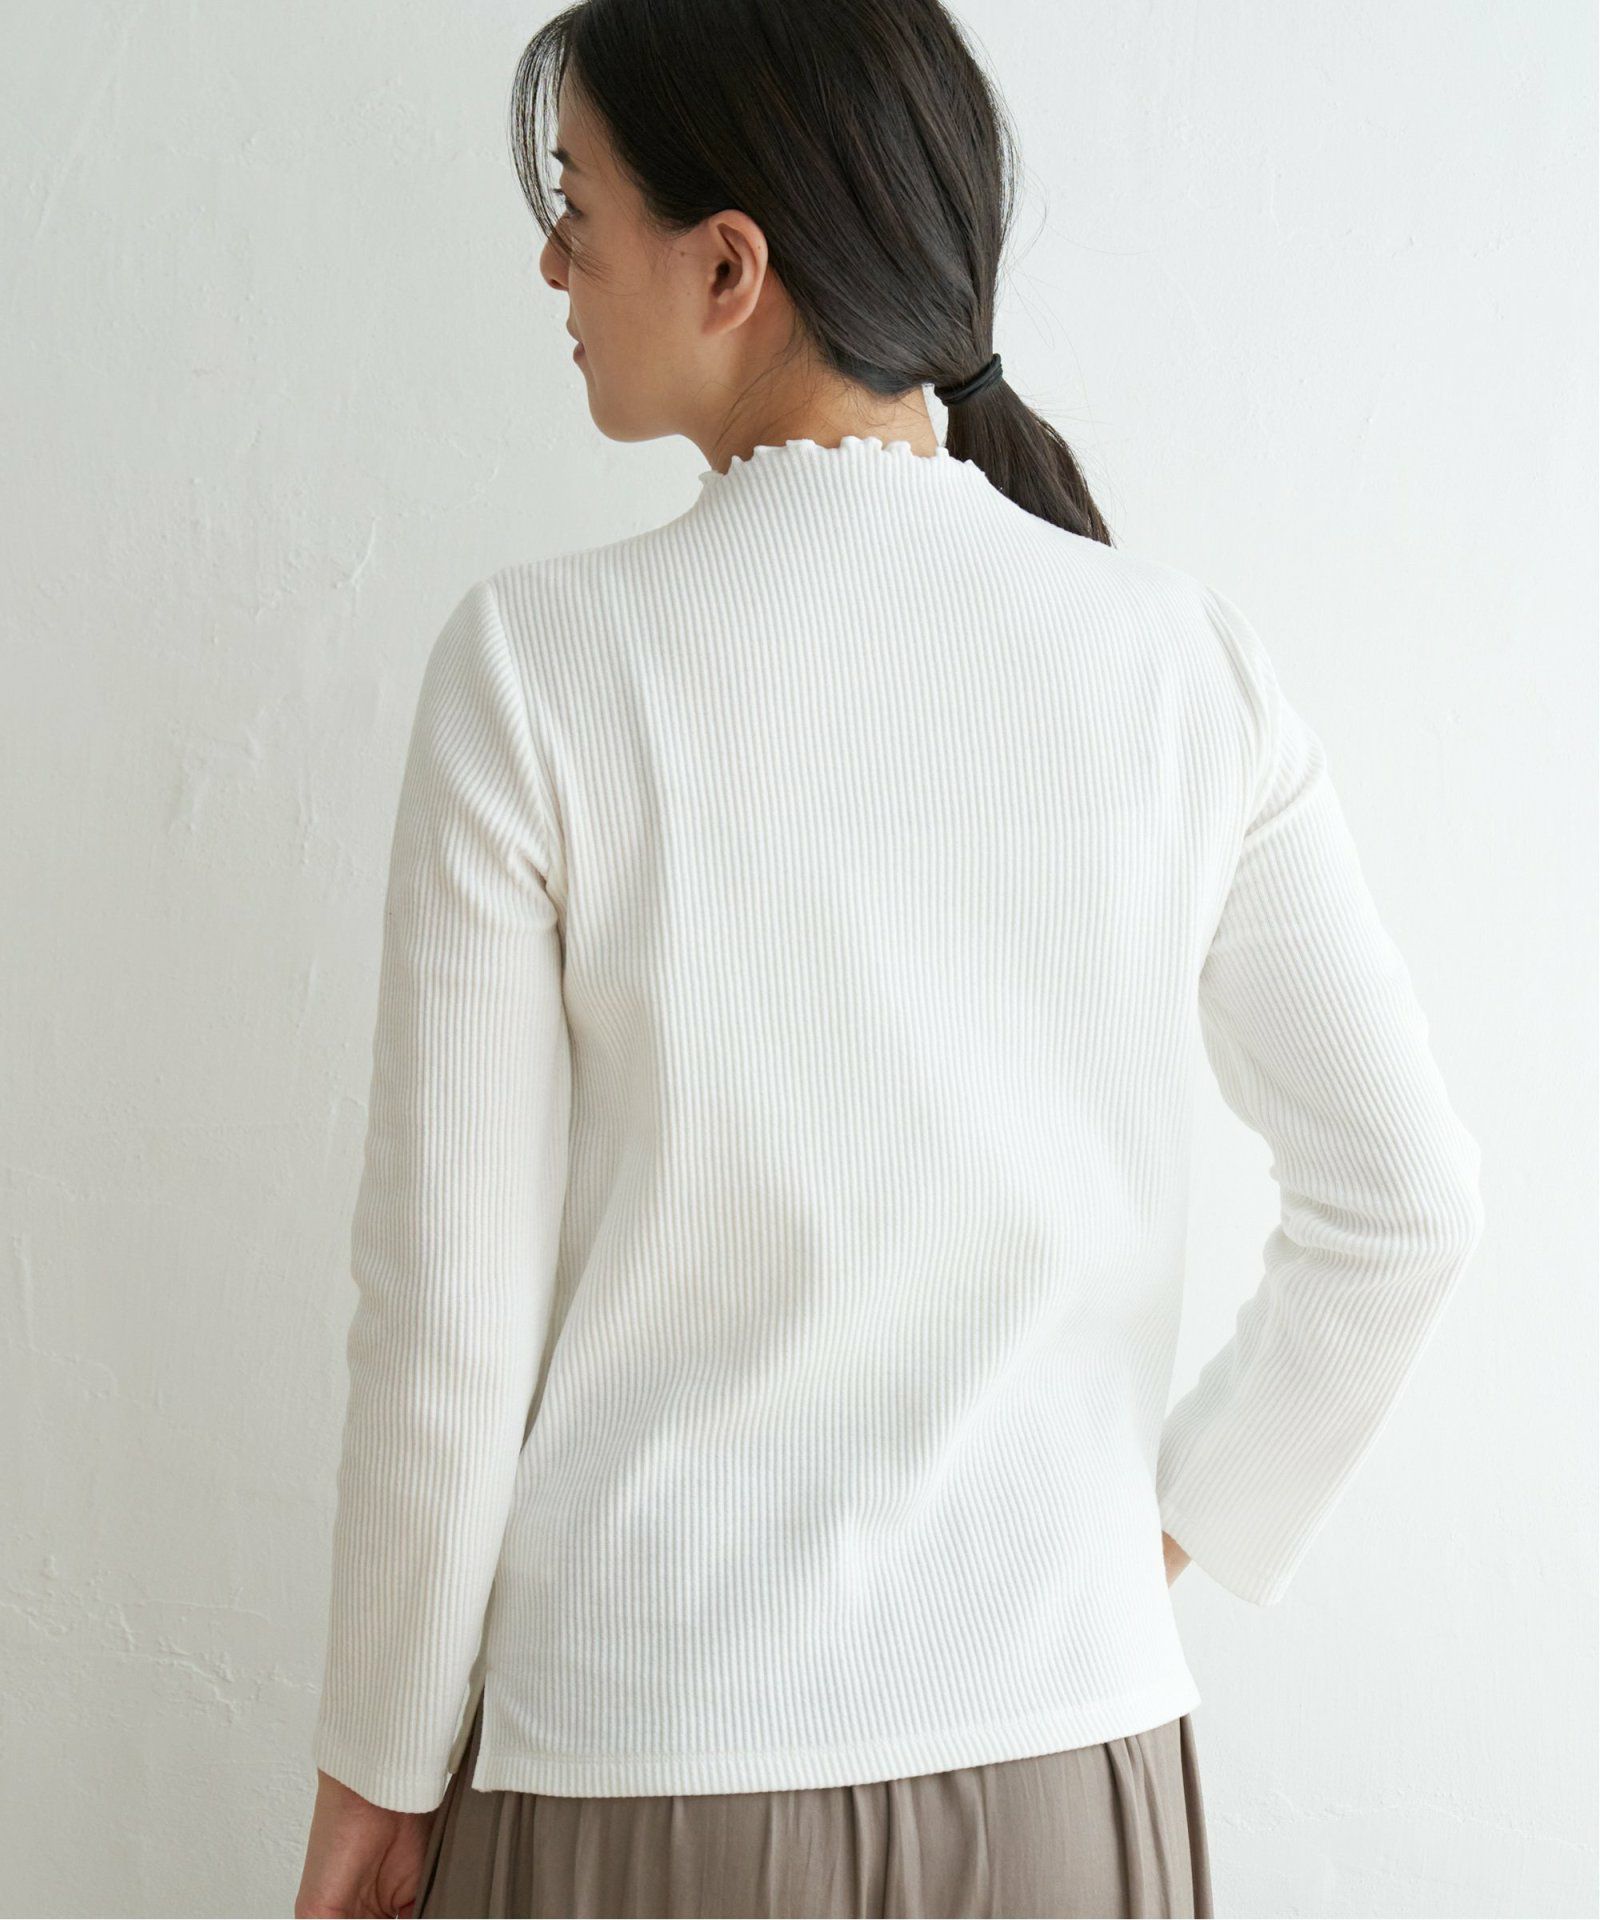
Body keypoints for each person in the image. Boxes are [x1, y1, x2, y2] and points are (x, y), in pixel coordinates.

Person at [294, 3, 1486, 1916]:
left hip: (645, 1777)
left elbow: (448, 1325)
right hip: (1070, 1775)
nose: (552, 267)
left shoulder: (537, 672)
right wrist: (1143, 1552)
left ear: (730, 266)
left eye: (574, 207)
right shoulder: (1179, 665)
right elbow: (1406, 1204)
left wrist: (377, 1762)